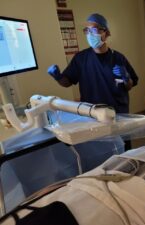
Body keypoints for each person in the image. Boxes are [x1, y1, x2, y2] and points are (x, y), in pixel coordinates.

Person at [47, 13, 138, 150]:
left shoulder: (118, 58)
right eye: (87, 30)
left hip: (118, 115)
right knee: (99, 153)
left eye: (94, 30)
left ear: (106, 33)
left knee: (124, 153)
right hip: (92, 116)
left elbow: (130, 85)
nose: (90, 34)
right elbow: (67, 82)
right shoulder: (81, 58)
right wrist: (58, 76)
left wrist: (126, 78)